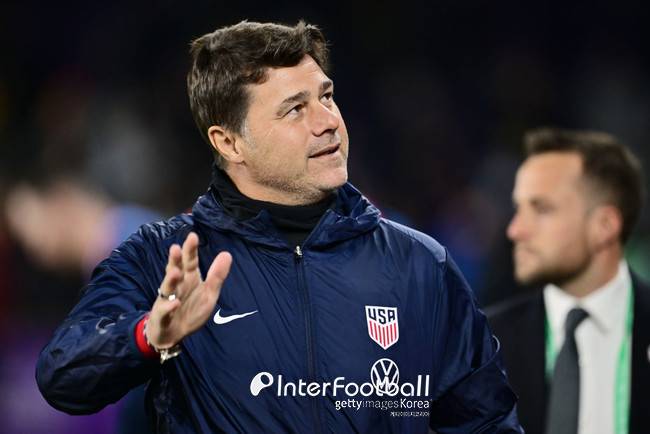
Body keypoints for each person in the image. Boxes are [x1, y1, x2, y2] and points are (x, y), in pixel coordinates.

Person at [36, 21, 522, 433]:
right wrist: (149, 336)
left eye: (326, 96)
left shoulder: (420, 264)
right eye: (294, 109)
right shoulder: (165, 258)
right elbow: (62, 376)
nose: (327, 122)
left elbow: (487, 422)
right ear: (229, 142)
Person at [487, 128, 650, 434]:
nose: (515, 230)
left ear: (605, 225)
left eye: (542, 209)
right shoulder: (484, 343)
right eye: (518, 208)